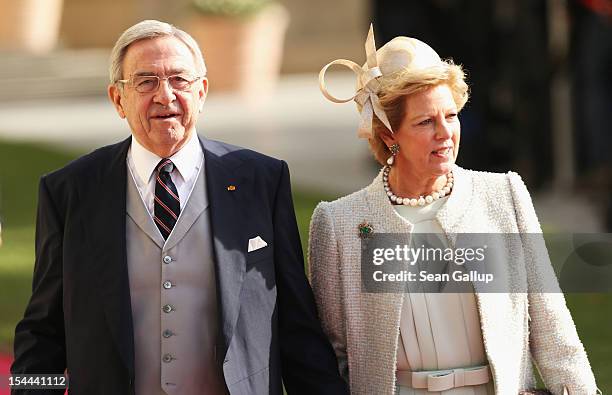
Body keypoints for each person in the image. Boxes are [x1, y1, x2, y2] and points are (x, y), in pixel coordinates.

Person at [11, 20, 348, 395]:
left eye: (179, 80)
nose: (165, 95)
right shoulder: (69, 191)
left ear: (202, 92)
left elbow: (296, 325)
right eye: (146, 81)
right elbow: (42, 332)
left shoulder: (262, 181)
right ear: (117, 99)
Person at [309, 25, 599, 394]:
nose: (445, 133)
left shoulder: (503, 195)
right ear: (387, 135)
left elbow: (554, 332)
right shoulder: (339, 224)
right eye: (426, 122)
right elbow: (330, 357)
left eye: (451, 116)